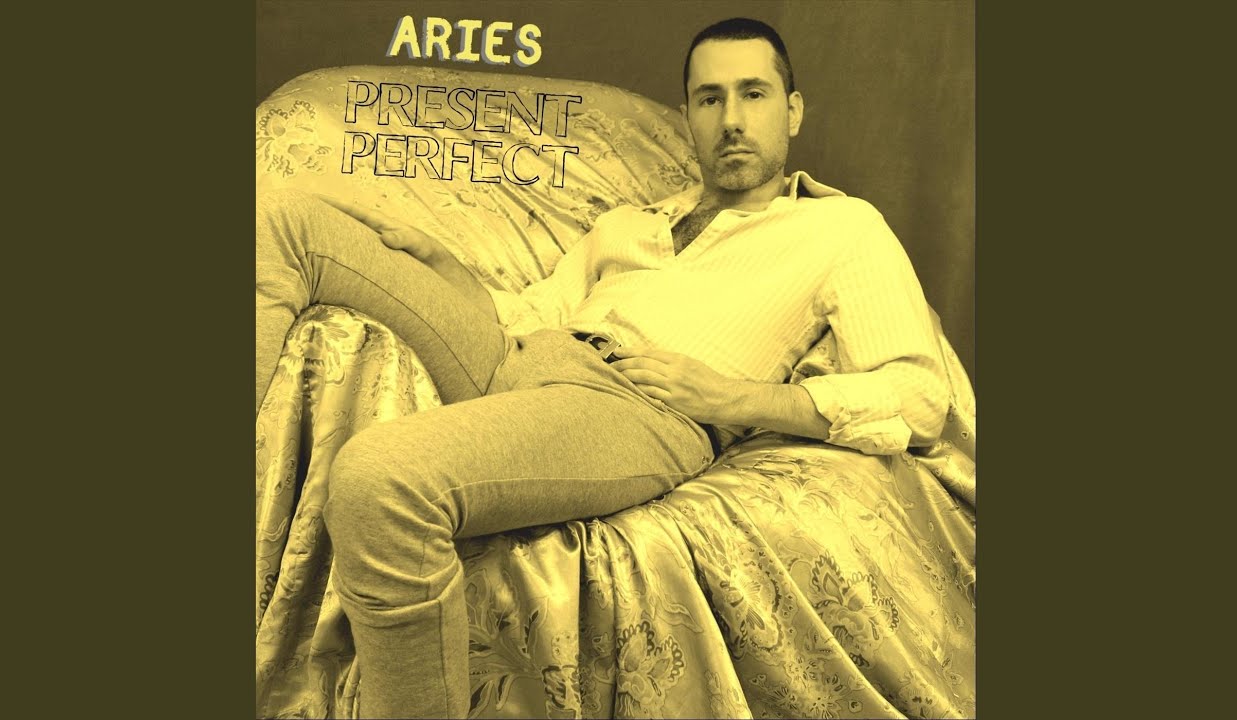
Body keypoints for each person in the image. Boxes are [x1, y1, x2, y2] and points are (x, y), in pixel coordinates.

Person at [255, 17, 951, 718]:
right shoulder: (630, 222)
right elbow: (529, 313)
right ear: (688, 116)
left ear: (792, 111)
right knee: (288, 222)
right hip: (524, 356)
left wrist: (733, 398)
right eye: (710, 99)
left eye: (754, 94)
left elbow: (919, 396)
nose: (732, 120)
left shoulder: (842, 228)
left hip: (635, 408)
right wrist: (443, 268)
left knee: (377, 482)